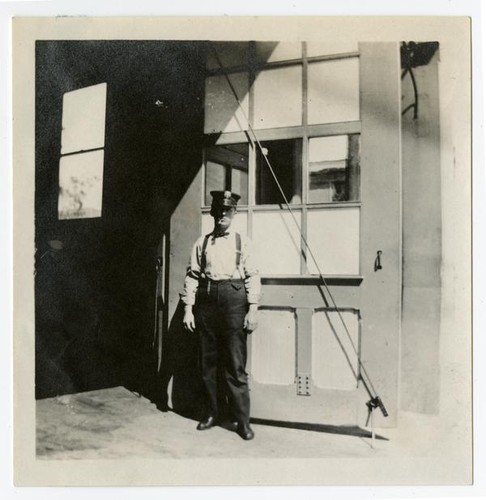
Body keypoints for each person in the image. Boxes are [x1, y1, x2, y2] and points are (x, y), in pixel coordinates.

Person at [181, 190, 261, 440]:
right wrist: (187, 309)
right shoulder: (201, 243)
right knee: (208, 363)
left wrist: (253, 308)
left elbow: (253, 276)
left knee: (235, 366)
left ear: (234, 214)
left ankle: (242, 421)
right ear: (213, 214)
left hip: (234, 301)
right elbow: (192, 276)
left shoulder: (243, 242)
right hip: (207, 302)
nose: (221, 216)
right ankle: (212, 413)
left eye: (227, 212)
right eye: (217, 212)